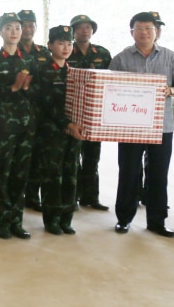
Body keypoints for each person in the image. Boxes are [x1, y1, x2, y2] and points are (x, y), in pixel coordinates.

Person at [111, 12, 174, 238]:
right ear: (131, 32)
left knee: (158, 174)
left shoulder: (170, 57)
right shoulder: (121, 59)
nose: (144, 32)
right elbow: (110, 89)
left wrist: (170, 90)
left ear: (157, 32)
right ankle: (124, 219)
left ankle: (156, 221)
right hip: (130, 126)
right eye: (139, 28)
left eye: (149, 28)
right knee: (128, 172)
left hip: (161, 127)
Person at [0, 13, 36, 240]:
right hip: (3, 126)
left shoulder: (30, 60)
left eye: (17, 27)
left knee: (20, 175)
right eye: (8, 28)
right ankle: (3, 222)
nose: (14, 31)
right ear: (0, 32)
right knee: (3, 174)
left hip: (26, 126)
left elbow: (40, 92)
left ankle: (17, 220)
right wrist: (13, 88)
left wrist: (27, 89)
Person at [37, 25, 86, 235]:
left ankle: (67, 218)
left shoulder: (75, 71)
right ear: (50, 46)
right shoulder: (43, 70)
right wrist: (67, 124)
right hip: (52, 132)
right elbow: (47, 104)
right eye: (60, 43)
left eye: (69, 43)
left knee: (71, 174)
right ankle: (52, 219)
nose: (65, 47)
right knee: (52, 176)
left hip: (73, 133)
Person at [67, 14, 112, 211]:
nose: (84, 31)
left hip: (95, 113)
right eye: (80, 27)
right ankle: (73, 197)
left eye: (88, 27)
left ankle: (91, 197)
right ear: (73, 31)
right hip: (73, 112)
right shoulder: (67, 50)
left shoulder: (102, 53)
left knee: (93, 157)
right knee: (73, 156)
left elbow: (112, 80)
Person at [17, 9, 51, 212]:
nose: (28, 29)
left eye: (31, 25)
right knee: (19, 158)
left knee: (38, 156)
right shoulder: (11, 51)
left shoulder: (43, 53)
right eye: (24, 25)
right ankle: (18, 196)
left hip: (40, 113)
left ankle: (32, 196)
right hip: (16, 115)